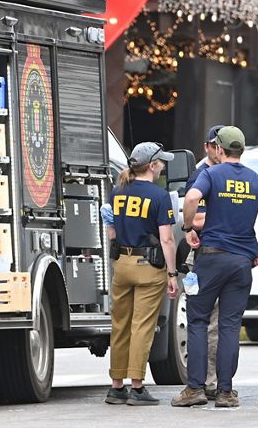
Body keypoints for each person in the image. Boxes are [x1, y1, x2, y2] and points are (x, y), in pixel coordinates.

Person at [173, 126, 258, 409]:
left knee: (198, 320)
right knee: (230, 326)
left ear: (219, 150)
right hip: (241, 262)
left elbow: (190, 199)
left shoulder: (211, 174)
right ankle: (225, 391)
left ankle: (195, 388)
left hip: (211, 258)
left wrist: (188, 228)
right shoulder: (256, 180)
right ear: (242, 150)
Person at [104, 142, 180, 405]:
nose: (162, 167)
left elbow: (112, 231)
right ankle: (137, 387)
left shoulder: (118, 192)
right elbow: (167, 239)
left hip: (122, 265)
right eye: (160, 163)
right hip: (148, 267)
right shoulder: (159, 196)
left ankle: (116, 386)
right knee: (142, 326)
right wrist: (172, 274)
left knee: (120, 324)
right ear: (152, 165)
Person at [183, 124, 226, 398]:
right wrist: (229, 218)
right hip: (202, 255)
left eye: (223, 145)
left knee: (221, 324)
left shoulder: (233, 176)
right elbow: (195, 218)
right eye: (215, 145)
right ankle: (206, 382)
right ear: (207, 147)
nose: (219, 150)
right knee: (204, 322)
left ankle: (213, 382)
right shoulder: (201, 176)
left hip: (225, 254)